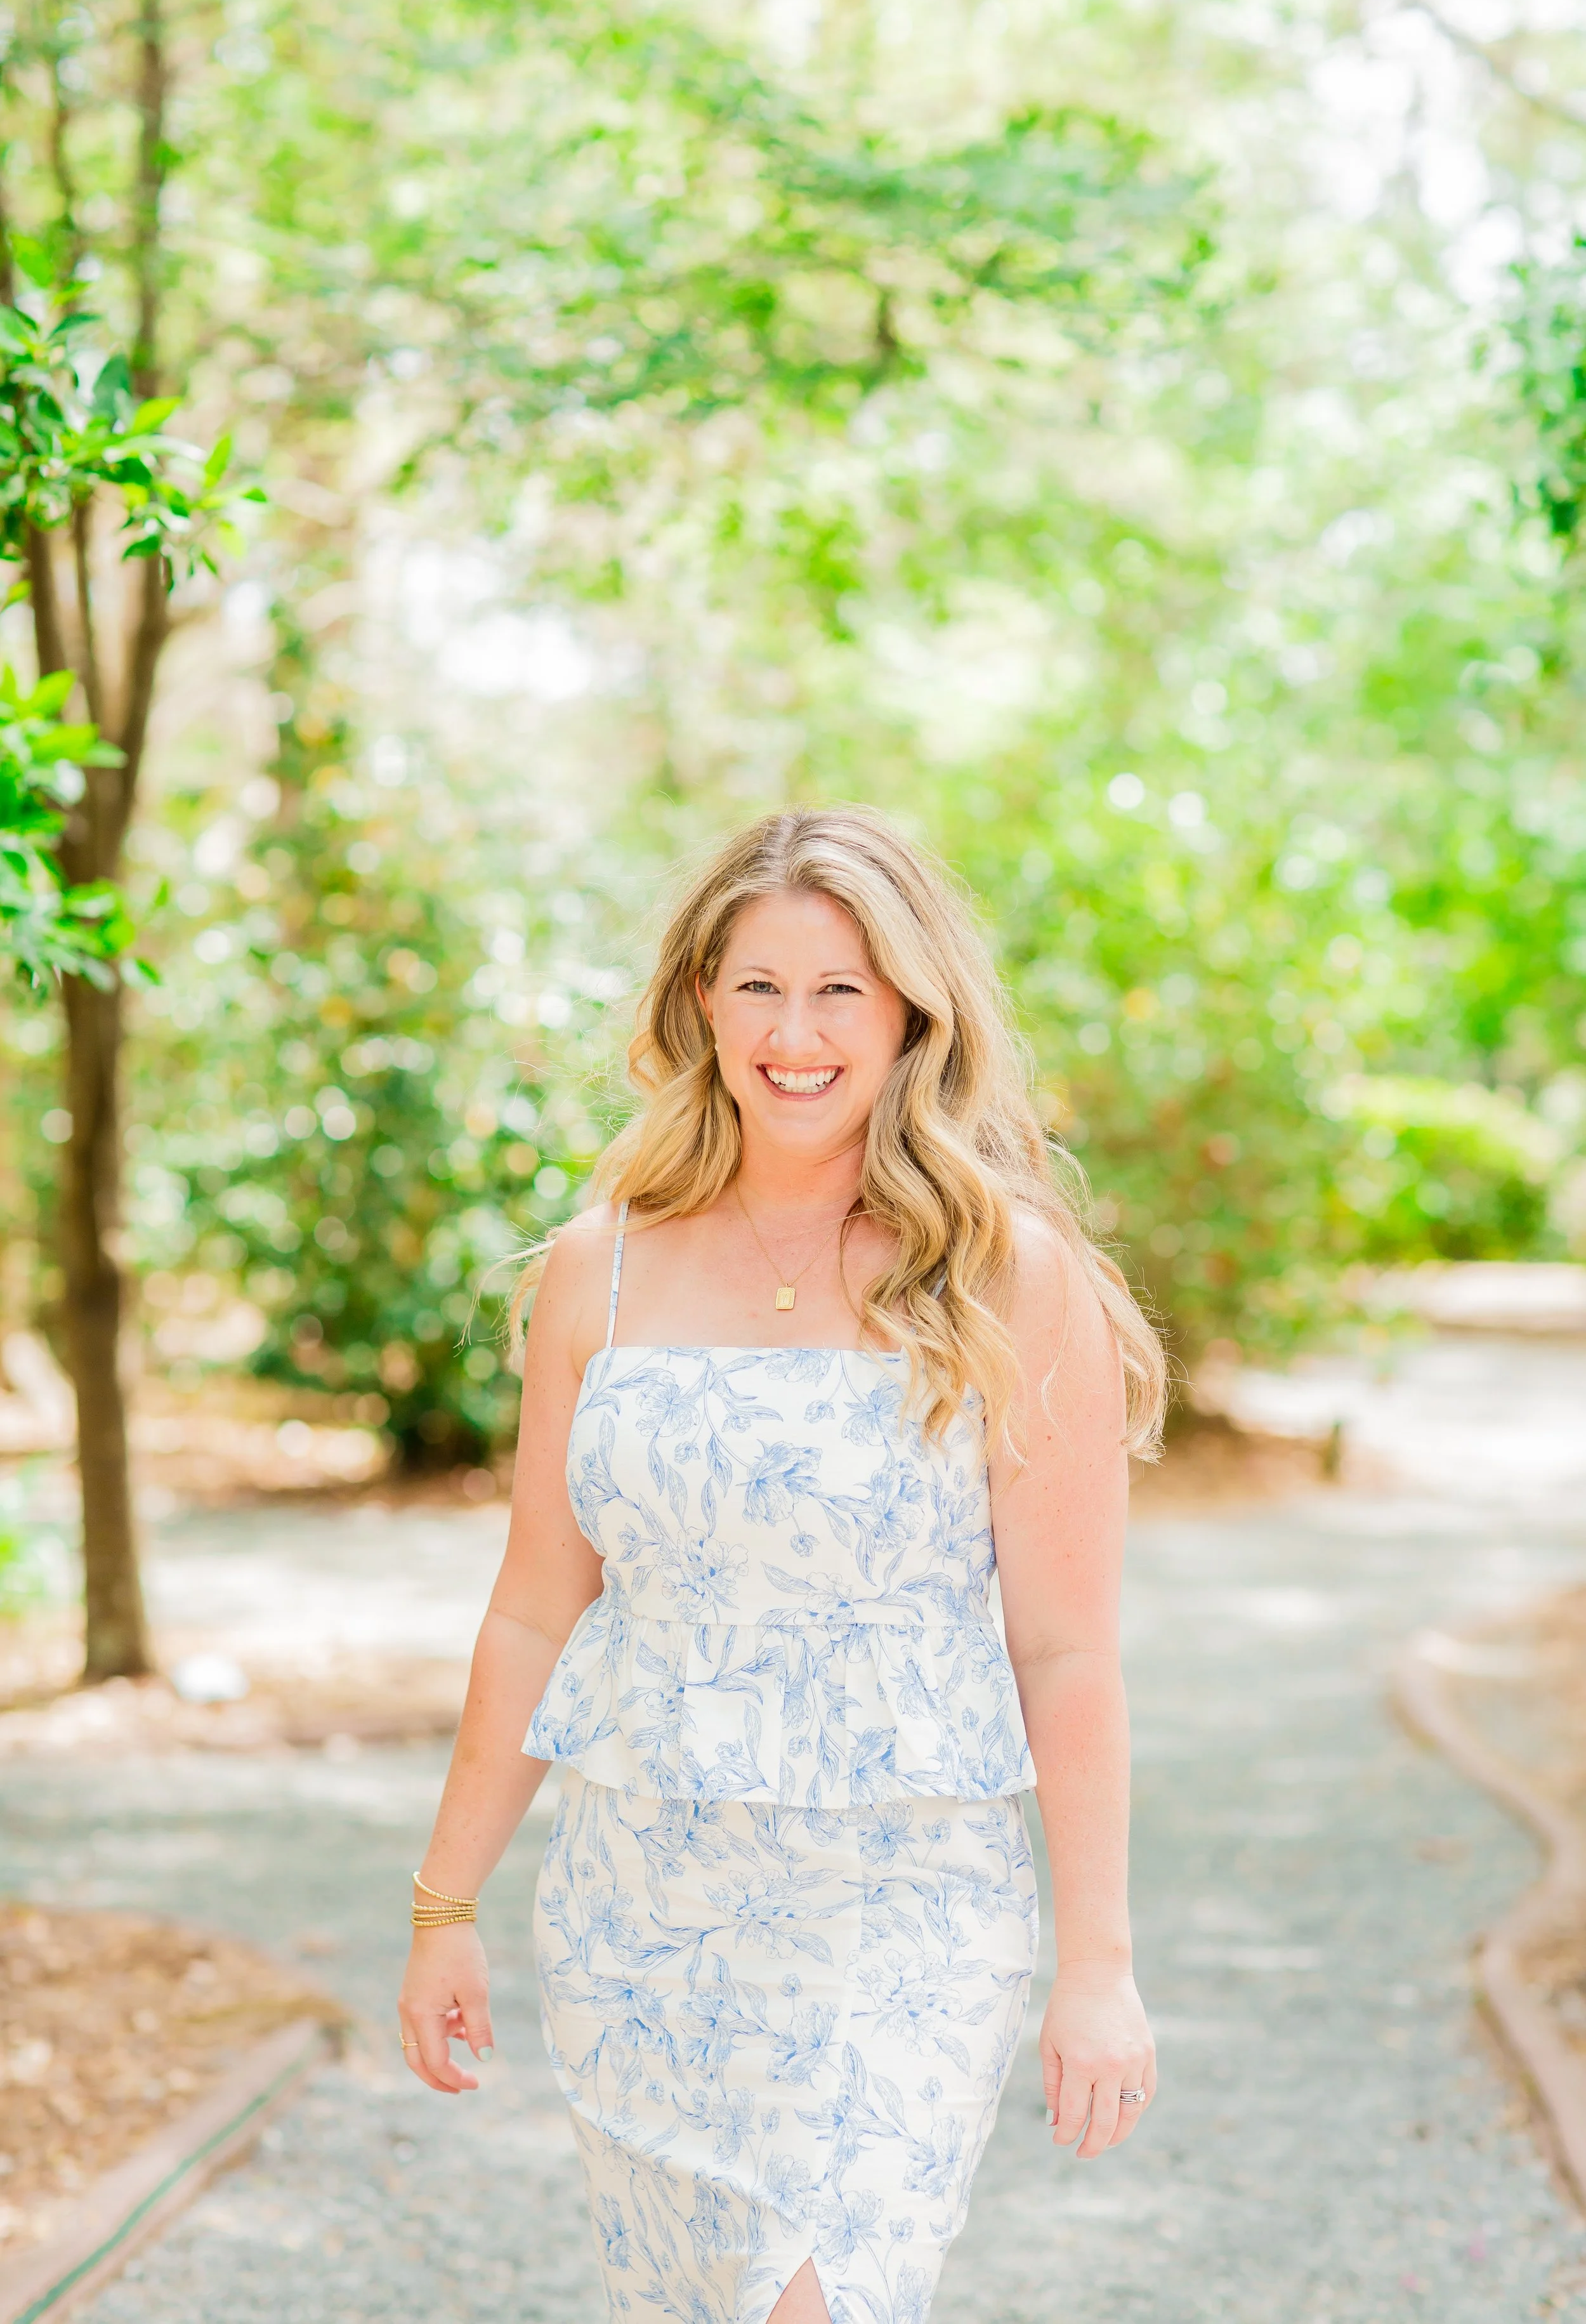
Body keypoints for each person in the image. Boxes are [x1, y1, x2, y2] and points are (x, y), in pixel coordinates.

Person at [398, 806, 1167, 2324]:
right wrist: (442, 1910)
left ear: (910, 1017)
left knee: (815, 2301)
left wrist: (1100, 1966)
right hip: (642, 1903)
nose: (795, 1033)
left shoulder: (1009, 1272)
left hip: (904, 1906)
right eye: (758, 987)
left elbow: (1066, 1652)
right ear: (700, 1002)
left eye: (840, 993)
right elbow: (536, 1606)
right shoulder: (595, 1266)